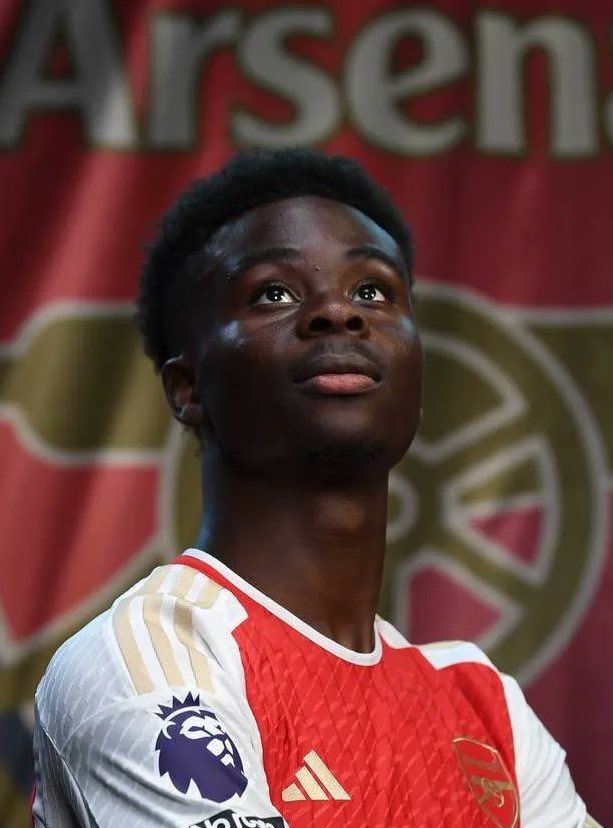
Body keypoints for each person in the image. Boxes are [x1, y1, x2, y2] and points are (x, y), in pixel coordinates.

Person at [32, 149, 599, 827]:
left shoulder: (485, 706)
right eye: (273, 292)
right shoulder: (150, 654)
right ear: (188, 390)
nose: (338, 312)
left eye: (373, 291)